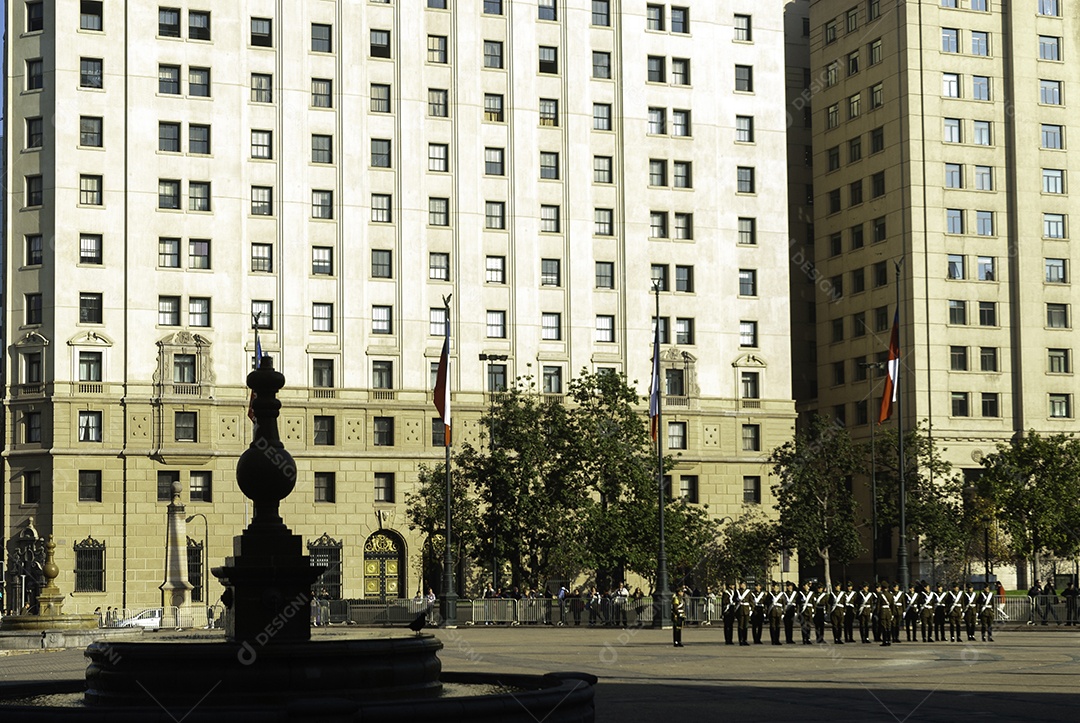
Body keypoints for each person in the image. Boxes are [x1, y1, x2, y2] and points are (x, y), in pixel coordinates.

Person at [874, 582, 892, 647]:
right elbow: (892, 605)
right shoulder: (890, 595)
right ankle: (889, 640)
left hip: (883, 612)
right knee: (888, 627)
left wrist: (877, 613)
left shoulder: (880, 595)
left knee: (883, 627)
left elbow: (878, 605)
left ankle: (885, 641)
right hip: (889, 612)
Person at [736, 581, 751, 646]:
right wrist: (737, 599)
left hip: (746, 610)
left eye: (742, 584)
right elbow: (734, 599)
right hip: (740, 610)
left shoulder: (748, 592)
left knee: (746, 626)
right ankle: (741, 640)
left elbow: (751, 601)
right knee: (740, 626)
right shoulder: (737, 592)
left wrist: (751, 610)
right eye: (740, 584)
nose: (741, 585)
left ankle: (745, 640)